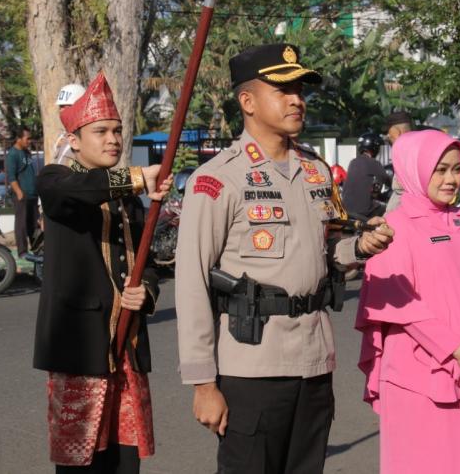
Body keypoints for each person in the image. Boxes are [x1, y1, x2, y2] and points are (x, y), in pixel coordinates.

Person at [174, 43, 394, 474]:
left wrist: (359, 248)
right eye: (283, 90)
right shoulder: (218, 179)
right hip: (251, 364)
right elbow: (192, 282)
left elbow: (327, 250)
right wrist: (202, 383)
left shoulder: (316, 170)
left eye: (300, 90)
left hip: (313, 358)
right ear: (248, 101)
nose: (297, 100)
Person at [356, 129, 460, 474]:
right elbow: (399, 304)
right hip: (421, 378)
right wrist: (458, 350)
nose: (451, 179)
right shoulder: (393, 227)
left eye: (455, 169)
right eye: (439, 170)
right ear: (413, 170)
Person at [32, 71, 172, 474]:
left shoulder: (130, 200)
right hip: (80, 351)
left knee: (126, 463)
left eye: (117, 130)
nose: (113, 139)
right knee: (81, 465)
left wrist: (145, 291)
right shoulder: (55, 180)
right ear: (74, 140)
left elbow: (145, 266)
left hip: (125, 351)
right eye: (101, 131)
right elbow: (82, 191)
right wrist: (136, 178)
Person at [6, 125, 38, 258]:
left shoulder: (26, 152)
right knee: (22, 224)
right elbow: (11, 177)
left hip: (32, 194)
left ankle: (37, 249)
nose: (29, 141)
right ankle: (22, 251)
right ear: (18, 138)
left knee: (34, 224)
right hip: (22, 195)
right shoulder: (13, 154)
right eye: (27, 138)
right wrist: (19, 192)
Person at [342, 132, 389, 218]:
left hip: (346, 209)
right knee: (389, 210)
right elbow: (389, 182)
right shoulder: (374, 163)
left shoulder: (353, 162)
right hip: (364, 211)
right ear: (374, 148)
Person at [384, 111, 413, 212]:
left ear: (397, 132)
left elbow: (401, 194)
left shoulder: (405, 153)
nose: (388, 136)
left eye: (389, 133)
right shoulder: (415, 149)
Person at [52, 83, 87, 165]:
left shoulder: (87, 137)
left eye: (67, 106)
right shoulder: (62, 136)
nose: (62, 111)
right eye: (61, 106)